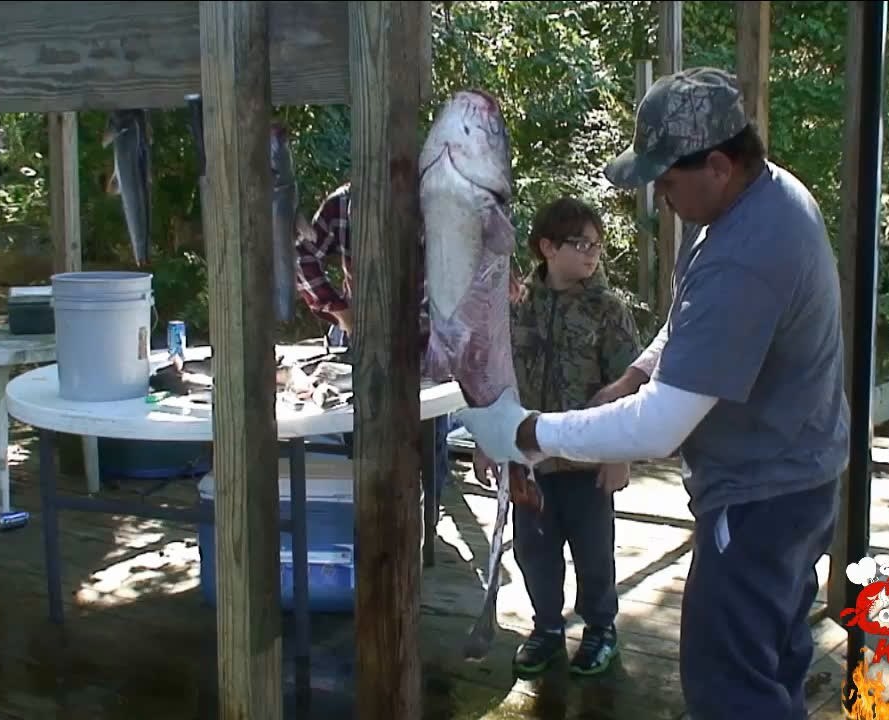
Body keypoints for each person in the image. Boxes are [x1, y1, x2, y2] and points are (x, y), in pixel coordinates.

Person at [455, 67, 850, 719]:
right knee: (771, 663)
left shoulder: (751, 250)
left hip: (764, 496)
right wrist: (636, 372)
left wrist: (527, 432)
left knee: (729, 685)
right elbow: (691, 319)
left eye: (666, 180)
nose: (660, 196)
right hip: (794, 477)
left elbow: (661, 426)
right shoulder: (745, 201)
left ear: (718, 165)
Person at [473, 197, 642, 678]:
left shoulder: (608, 310)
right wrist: (487, 441)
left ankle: (600, 629)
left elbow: (630, 385)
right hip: (528, 462)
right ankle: (546, 627)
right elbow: (492, 379)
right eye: (580, 244)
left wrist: (620, 454)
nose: (592, 254)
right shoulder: (513, 305)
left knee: (594, 553)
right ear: (547, 247)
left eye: (597, 245)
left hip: (588, 463)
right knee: (534, 551)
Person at [294, 182, 451, 493]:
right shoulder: (343, 202)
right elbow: (302, 257)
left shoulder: (440, 198)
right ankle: (365, 513)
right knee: (364, 449)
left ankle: (427, 514)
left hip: (427, 342)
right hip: (362, 342)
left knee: (427, 449)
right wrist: (341, 312)